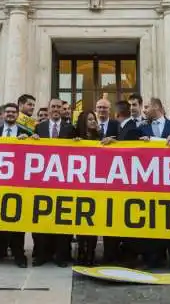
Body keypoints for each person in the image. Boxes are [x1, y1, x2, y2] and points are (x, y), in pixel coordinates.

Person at [137, 98, 170, 269]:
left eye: (147, 107)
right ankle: (153, 260)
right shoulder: (141, 128)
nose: (144, 110)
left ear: (156, 107)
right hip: (149, 184)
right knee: (152, 223)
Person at [0, 103, 30, 268]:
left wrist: (30, 142)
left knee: (17, 222)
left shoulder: (26, 132)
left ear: (17, 115)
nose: (10, 114)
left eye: (13, 112)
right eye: (7, 112)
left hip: (18, 184)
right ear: (2, 115)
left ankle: (19, 255)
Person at [32, 99, 75, 268]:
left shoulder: (70, 129)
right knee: (42, 220)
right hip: (43, 181)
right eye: (53, 107)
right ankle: (42, 255)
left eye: (59, 107)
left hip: (64, 182)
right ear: (48, 109)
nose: (56, 110)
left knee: (62, 220)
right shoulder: (39, 128)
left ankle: (61, 256)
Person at [75, 110, 101, 266]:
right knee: (81, 222)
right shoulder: (76, 137)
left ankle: (90, 252)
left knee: (93, 222)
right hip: (79, 186)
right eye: (90, 119)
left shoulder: (99, 137)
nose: (93, 122)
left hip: (95, 187)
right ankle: (81, 251)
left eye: (94, 119)